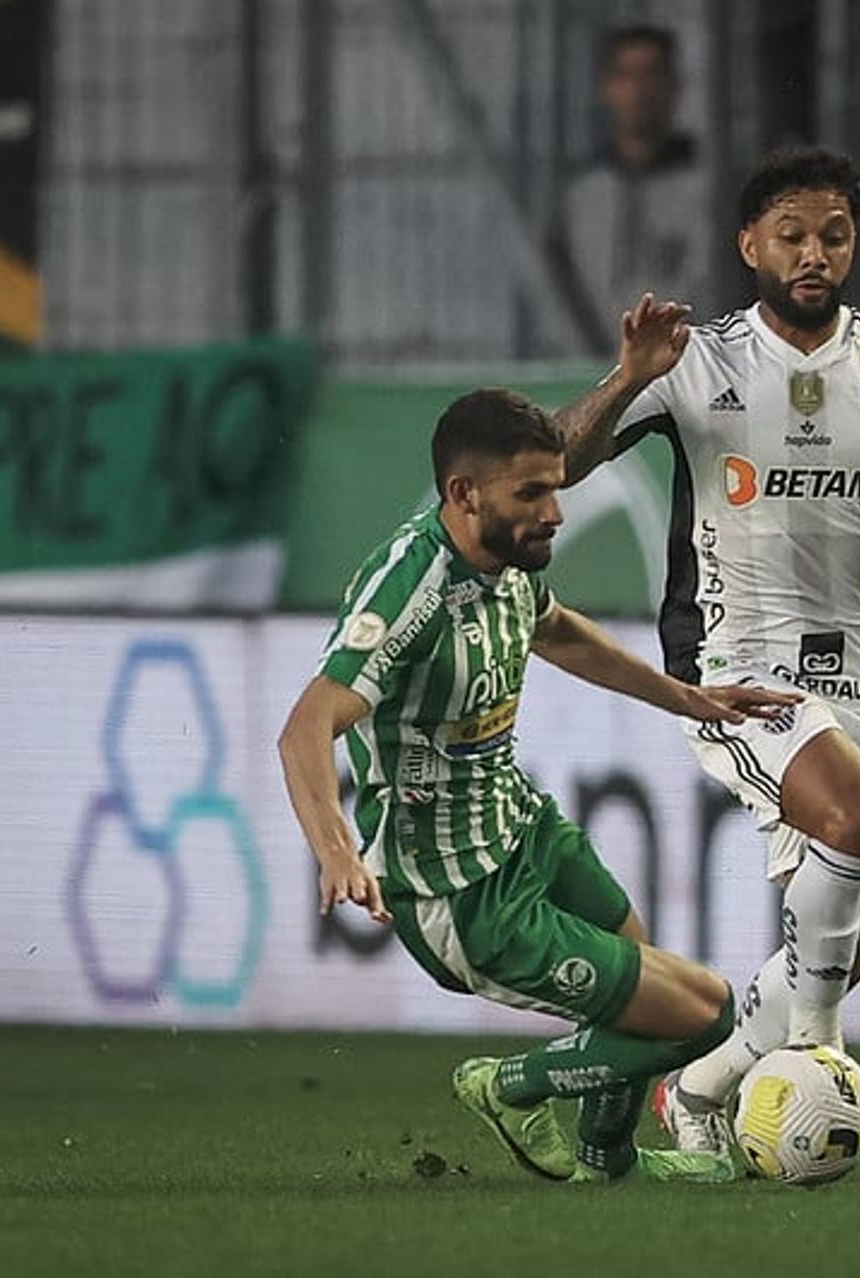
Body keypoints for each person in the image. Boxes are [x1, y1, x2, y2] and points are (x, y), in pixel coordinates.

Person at [551, 146, 860, 1156]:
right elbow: (559, 458)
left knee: (857, 920)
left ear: (855, 244)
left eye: (835, 235)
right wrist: (630, 373)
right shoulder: (701, 363)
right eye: (794, 236)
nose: (815, 254)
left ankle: (702, 1088)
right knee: (850, 823)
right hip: (734, 661)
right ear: (751, 245)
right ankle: (816, 1060)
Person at [276, 387, 798, 1183]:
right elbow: (305, 726)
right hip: (459, 893)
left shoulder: (507, 563)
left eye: (555, 488)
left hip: (523, 830)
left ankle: (606, 1163)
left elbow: (556, 631)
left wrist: (688, 696)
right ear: (463, 494)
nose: (554, 512)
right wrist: (337, 851)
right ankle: (509, 1087)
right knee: (702, 1013)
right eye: (531, 493)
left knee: (637, 970)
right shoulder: (411, 588)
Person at [552, 24, 714, 353]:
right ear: (606, 88)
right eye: (626, 75)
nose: (641, 90)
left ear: (675, 85)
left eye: (652, 74)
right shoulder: (582, 198)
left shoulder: (710, 192)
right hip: (598, 375)